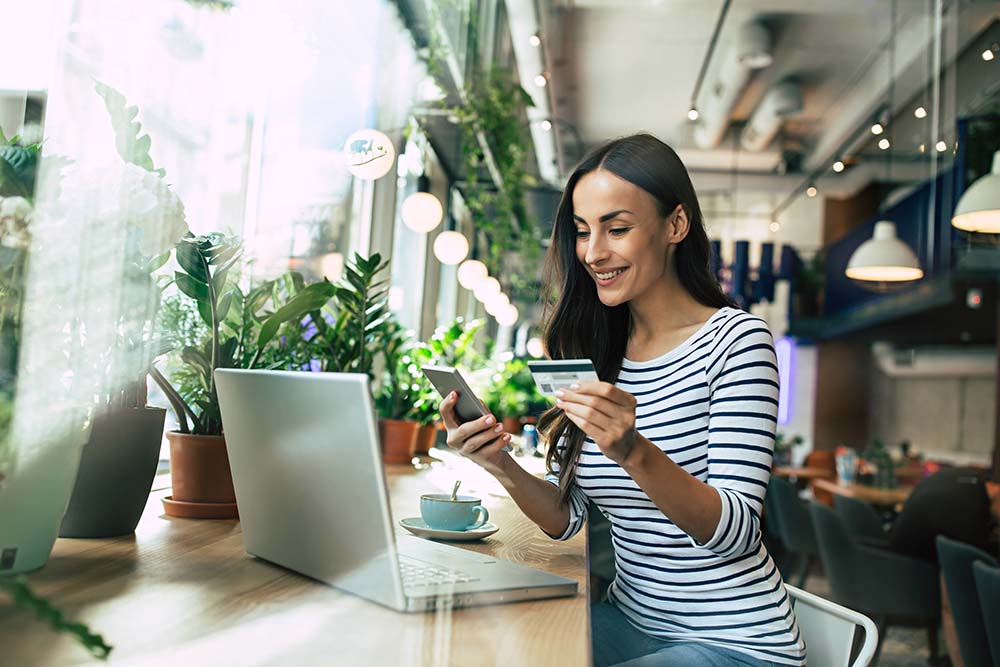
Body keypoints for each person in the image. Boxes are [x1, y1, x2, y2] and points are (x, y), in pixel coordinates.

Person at [439, 134, 805, 667]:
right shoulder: (602, 351)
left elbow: (736, 531)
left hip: (736, 643)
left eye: (618, 229)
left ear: (675, 226)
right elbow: (570, 519)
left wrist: (634, 450)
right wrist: (499, 465)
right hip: (630, 620)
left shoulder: (738, 341)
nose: (593, 253)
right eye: (584, 232)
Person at [888, 466, 999, 563]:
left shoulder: (973, 478)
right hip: (912, 568)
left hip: (894, 554)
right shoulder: (970, 511)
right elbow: (979, 562)